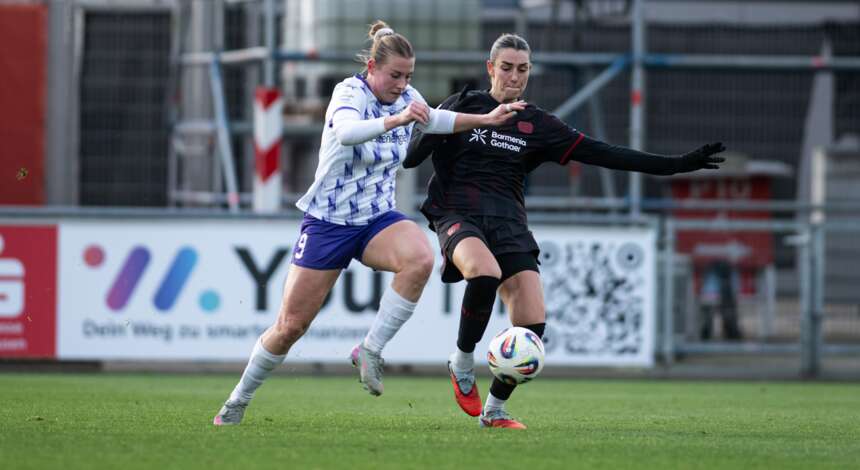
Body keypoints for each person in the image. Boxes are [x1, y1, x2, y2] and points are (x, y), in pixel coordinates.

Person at [404, 33, 726, 429]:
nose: (514, 76)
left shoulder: (537, 124)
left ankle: (494, 410)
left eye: (523, 69)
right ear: (490, 68)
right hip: (457, 212)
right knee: (483, 272)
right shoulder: (464, 105)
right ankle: (462, 361)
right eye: (506, 68)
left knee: (532, 323)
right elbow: (412, 158)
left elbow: (605, 153)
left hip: (507, 221)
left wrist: (675, 165)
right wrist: (433, 124)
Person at [213, 21, 525, 426]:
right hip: (328, 222)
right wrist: (396, 121)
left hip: (376, 219)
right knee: (290, 326)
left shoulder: (407, 97)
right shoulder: (350, 92)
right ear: (372, 67)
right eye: (395, 75)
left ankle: (370, 349)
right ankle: (237, 400)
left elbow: (435, 121)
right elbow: (346, 133)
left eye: (408, 76)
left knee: (419, 258)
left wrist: (486, 119)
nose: (402, 85)